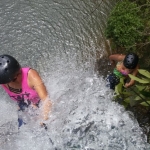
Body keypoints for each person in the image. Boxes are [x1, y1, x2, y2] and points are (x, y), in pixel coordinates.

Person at [0, 54, 52, 125]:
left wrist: (44, 119)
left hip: (39, 105)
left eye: (19, 73)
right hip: (24, 107)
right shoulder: (3, 80)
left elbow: (46, 100)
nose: (19, 77)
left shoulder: (31, 75)